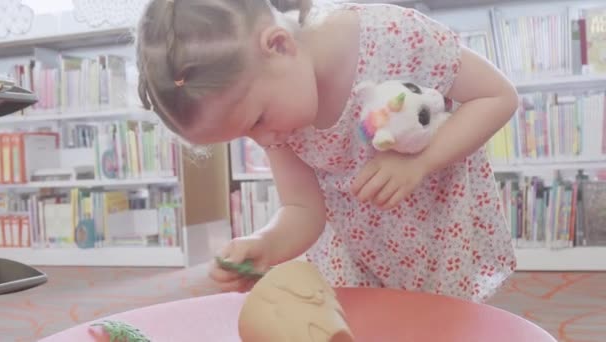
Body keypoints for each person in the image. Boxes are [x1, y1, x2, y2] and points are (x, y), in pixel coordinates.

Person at [136, 0, 518, 302]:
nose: (266, 141)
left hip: (437, 236)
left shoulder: (393, 36)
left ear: (280, 46)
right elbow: (302, 210)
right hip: (356, 255)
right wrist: (267, 243)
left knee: (439, 329)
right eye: (246, 136)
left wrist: (420, 162)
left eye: (257, 120)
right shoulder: (281, 123)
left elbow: (497, 96)